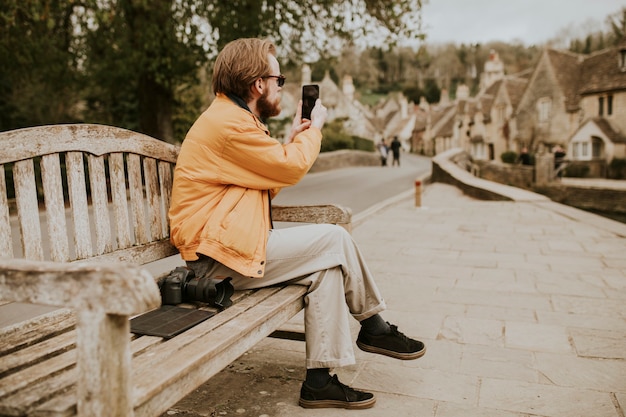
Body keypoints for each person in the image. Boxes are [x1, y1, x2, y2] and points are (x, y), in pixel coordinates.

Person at [168, 38, 425, 410]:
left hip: (230, 248)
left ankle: (319, 382)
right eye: (278, 79)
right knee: (335, 238)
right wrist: (315, 129)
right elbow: (290, 168)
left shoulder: (239, 120)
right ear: (258, 84)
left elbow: (265, 185)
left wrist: (287, 142)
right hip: (215, 261)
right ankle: (374, 326)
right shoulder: (229, 124)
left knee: (327, 272)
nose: (280, 88)